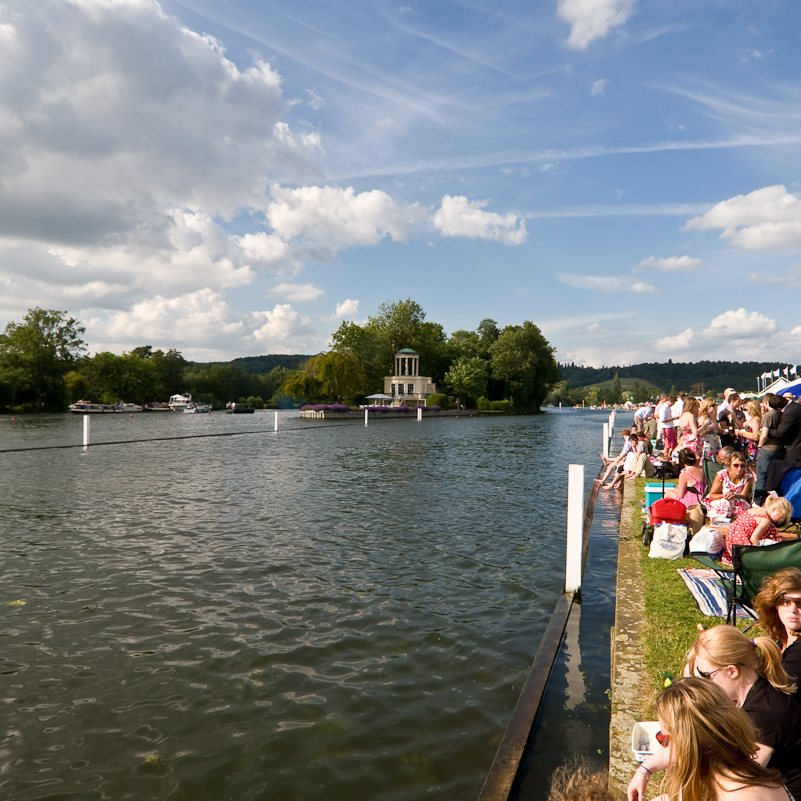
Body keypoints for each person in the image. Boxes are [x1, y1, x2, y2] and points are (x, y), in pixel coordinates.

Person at [683, 626, 801, 799]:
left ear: (732, 671)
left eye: (705, 675)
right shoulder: (756, 687)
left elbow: (736, 781)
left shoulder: (761, 717)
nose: (701, 683)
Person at [637, 677, 789, 801]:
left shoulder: (738, 795)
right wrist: (644, 770)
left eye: (663, 739)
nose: (663, 748)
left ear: (688, 743)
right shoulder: (743, 772)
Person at [754, 568, 801, 696]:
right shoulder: (782, 641)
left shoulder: (798, 653)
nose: (792, 609)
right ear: (775, 604)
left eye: (800, 604)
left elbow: (775, 694)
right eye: (785, 601)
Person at [720, 496, 793, 566]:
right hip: (741, 543)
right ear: (774, 510)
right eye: (780, 517)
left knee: (771, 528)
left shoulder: (756, 509)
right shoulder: (766, 520)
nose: (780, 520)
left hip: (732, 539)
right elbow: (754, 539)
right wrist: (760, 552)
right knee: (771, 529)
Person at [755, 395, 788, 505]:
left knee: (761, 477)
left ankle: (759, 503)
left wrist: (760, 445)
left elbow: (764, 435)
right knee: (776, 477)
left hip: (767, 449)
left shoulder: (768, 416)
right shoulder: (783, 416)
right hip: (779, 449)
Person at [704, 451, 753, 519]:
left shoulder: (747, 476)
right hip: (722, 499)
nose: (739, 468)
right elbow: (712, 495)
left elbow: (744, 496)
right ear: (730, 465)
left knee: (742, 506)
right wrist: (724, 495)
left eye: (742, 466)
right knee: (724, 504)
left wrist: (735, 495)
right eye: (735, 465)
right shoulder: (722, 475)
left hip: (738, 500)